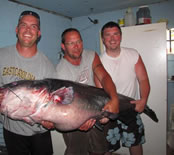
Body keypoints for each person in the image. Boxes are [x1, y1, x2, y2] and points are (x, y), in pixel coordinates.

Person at [0, 10, 56, 155]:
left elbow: (53, 102)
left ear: (39, 33)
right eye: (24, 25)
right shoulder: (1, 55)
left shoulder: (47, 66)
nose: (28, 30)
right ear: (17, 30)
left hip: (39, 132)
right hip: (11, 131)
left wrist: (51, 120)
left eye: (33, 26)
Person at [56, 28, 119, 155]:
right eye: (71, 43)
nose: (76, 46)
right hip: (74, 118)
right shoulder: (60, 72)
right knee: (77, 152)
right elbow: (63, 107)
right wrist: (78, 122)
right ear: (63, 47)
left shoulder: (91, 55)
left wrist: (114, 99)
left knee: (100, 150)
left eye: (79, 41)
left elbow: (104, 77)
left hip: (95, 110)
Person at [99, 21, 150, 155]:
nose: (112, 38)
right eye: (108, 35)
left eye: (116, 34)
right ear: (103, 39)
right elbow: (99, 92)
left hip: (130, 108)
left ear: (121, 36)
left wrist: (143, 100)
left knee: (136, 143)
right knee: (106, 148)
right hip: (110, 110)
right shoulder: (98, 62)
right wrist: (103, 114)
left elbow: (143, 79)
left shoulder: (133, 54)